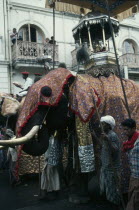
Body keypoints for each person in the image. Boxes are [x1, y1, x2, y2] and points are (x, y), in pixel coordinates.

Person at [99, 115, 121, 207]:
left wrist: (108, 140)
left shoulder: (112, 135)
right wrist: (96, 137)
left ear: (109, 125)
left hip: (111, 168)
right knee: (105, 188)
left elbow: (115, 150)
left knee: (112, 190)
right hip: (105, 166)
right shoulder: (105, 135)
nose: (101, 126)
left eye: (103, 124)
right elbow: (104, 147)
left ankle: (115, 206)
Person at [121, 119, 139, 210]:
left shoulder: (137, 142)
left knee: (134, 201)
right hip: (133, 175)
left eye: (127, 129)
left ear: (134, 128)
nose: (124, 132)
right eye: (123, 129)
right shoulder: (129, 142)